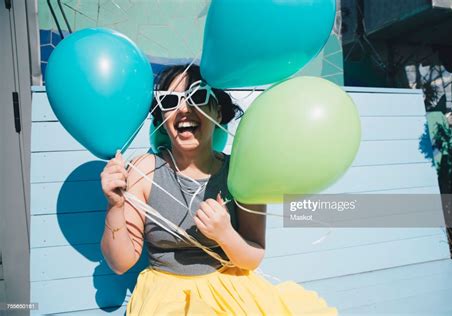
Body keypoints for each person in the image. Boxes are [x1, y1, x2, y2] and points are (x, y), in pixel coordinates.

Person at [100, 64, 338, 315]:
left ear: (218, 111)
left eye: (197, 97)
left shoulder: (240, 170)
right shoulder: (144, 170)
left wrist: (224, 233)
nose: (183, 109)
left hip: (232, 291)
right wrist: (115, 205)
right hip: (167, 298)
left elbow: (253, 256)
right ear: (161, 118)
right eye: (170, 101)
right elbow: (120, 263)